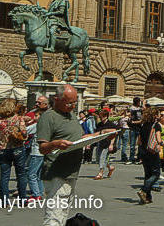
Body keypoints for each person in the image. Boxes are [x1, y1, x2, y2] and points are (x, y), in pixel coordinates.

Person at [38, 84, 95, 225]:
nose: (73, 106)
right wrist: (55, 144)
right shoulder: (48, 117)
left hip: (71, 172)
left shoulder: (71, 116)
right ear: (57, 99)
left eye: (75, 102)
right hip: (56, 172)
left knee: (63, 212)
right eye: (69, 102)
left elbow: (79, 138)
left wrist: (100, 135)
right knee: (54, 216)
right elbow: (42, 148)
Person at [0, 99, 28, 202]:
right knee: (21, 174)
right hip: (17, 148)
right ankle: (23, 199)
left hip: (3, 149)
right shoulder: (18, 119)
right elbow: (24, 133)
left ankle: (4, 200)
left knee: (4, 175)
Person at [136, 107, 164, 204]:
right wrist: (163, 143)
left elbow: (139, 141)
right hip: (152, 152)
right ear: (154, 116)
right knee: (156, 174)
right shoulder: (156, 125)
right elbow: (158, 139)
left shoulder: (143, 124)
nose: (159, 116)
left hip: (143, 152)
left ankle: (147, 197)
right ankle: (144, 190)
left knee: (147, 174)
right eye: (157, 114)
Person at [26, 107, 45, 201]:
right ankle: (40, 192)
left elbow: (25, 130)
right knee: (38, 174)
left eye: (36, 115)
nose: (35, 117)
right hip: (42, 152)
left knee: (31, 174)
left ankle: (36, 194)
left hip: (36, 152)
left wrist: (29, 122)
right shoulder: (45, 125)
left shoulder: (37, 125)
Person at [93, 107, 118, 180]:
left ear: (106, 116)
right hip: (100, 143)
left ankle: (100, 173)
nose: (100, 118)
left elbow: (114, 135)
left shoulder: (111, 124)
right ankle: (110, 167)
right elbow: (96, 134)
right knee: (98, 159)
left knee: (102, 158)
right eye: (100, 117)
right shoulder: (99, 124)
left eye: (102, 116)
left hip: (107, 143)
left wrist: (111, 144)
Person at [127, 97, 143, 165]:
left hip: (139, 128)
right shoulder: (131, 108)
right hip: (133, 128)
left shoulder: (141, 109)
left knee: (139, 144)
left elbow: (142, 119)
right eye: (139, 102)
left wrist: (135, 122)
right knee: (132, 144)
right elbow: (129, 117)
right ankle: (132, 158)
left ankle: (138, 158)